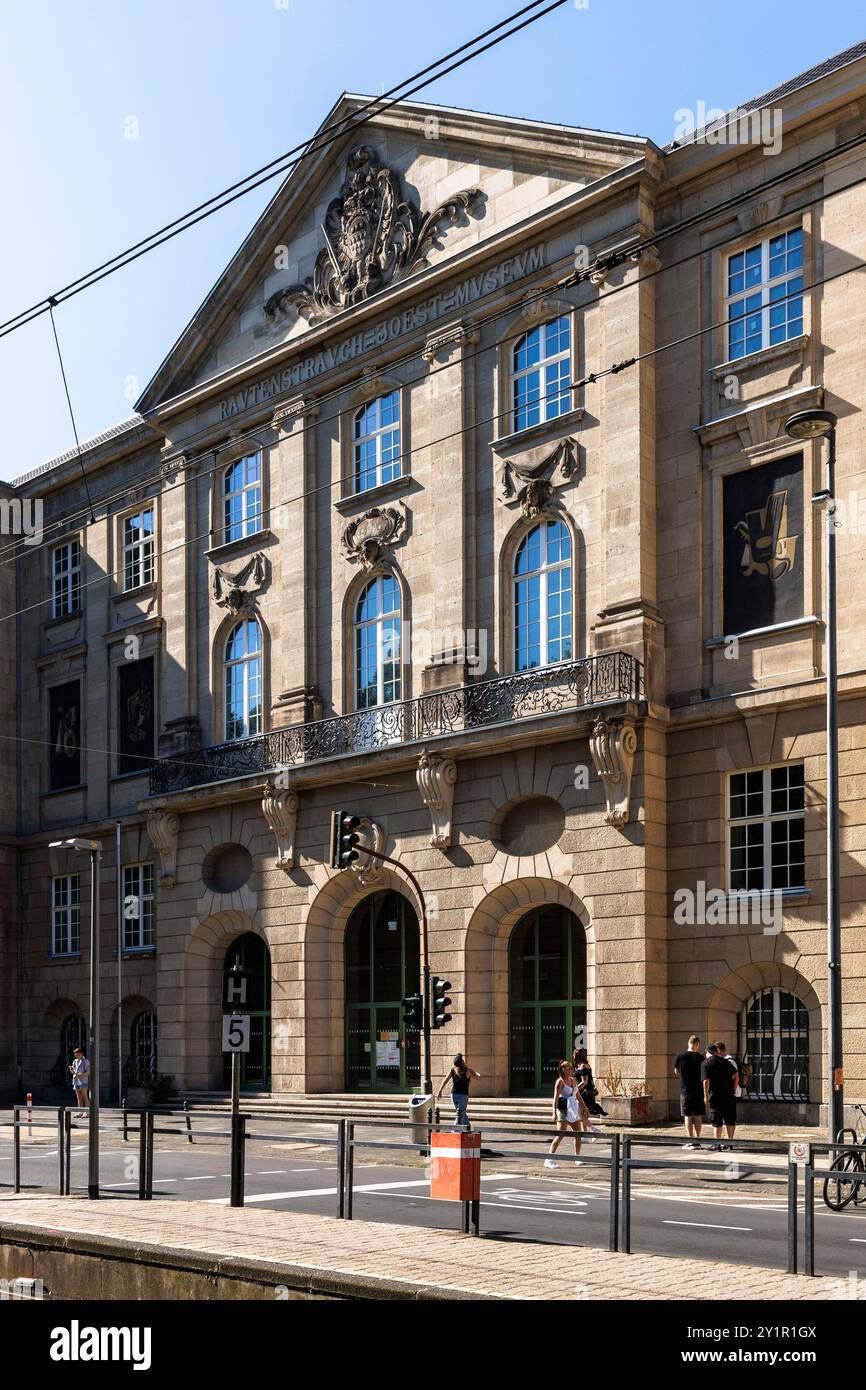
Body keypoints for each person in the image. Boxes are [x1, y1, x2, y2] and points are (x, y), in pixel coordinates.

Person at [545, 1061, 587, 1168]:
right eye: (568, 1068)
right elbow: (555, 1098)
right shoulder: (560, 1082)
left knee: (578, 1134)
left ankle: (577, 1157)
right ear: (563, 1069)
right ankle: (549, 1159)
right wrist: (553, 1112)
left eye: (571, 1068)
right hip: (563, 1109)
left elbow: (577, 1095)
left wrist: (584, 1107)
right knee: (560, 1134)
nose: (571, 1069)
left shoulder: (573, 1080)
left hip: (572, 1109)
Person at [701, 1040, 738, 1150]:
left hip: (715, 1095)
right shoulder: (725, 1061)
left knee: (716, 1120)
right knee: (729, 1119)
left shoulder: (706, 1063)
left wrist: (705, 1096)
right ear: (716, 1051)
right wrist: (733, 1088)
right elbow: (736, 1075)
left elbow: (706, 1081)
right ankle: (730, 1143)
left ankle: (717, 1144)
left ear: (707, 1052)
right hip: (729, 1095)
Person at [673, 1034, 706, 1149]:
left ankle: (690, 1140)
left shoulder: (680, 1056)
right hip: (698, 1090)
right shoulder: (701, 1058)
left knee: (687, 1116)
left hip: (685, 1089)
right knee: (697, 1116)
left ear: (689, 1043)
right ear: (697, 1045)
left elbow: (676, 1071)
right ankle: (697, 1139)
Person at [435, 1054, 479, 1132]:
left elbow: (445, 1081)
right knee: (461, 1114)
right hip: (463, 1096)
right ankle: (455, 1131)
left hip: (454, 1095)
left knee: (461, 1112)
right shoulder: (467, 1070)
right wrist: (476, 1073)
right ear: (462, 1062)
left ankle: (467, 1128)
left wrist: (440, 1091)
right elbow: (478, 1077)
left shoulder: (453, 1070)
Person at [572, 1046, 606, 1133]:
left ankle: (594, 1129)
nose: (573, 1056)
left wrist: (574, 1090)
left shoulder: (583, 1066)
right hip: (581, 1093)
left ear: (578, 1056)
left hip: (585, 1093)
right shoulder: (580, 1065)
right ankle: (585, 1134)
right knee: (582, 1114)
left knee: (580, 1114)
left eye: (575, 1055)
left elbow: (585, 1082)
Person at [69, 1046, 90, 1118]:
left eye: (78, 1055)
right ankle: (80, 1111)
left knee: (85, 1097)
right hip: (76, 1081)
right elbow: (73, 1072)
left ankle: (87, 1112)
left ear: (81, 1054)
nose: (76, 1056)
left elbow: (87, 1072)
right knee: (79, 1097)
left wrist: (78, 1075)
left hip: (83, 1081)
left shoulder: (85, 1061)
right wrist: (71, 1070)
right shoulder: (75, 1061)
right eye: (75, 1055)